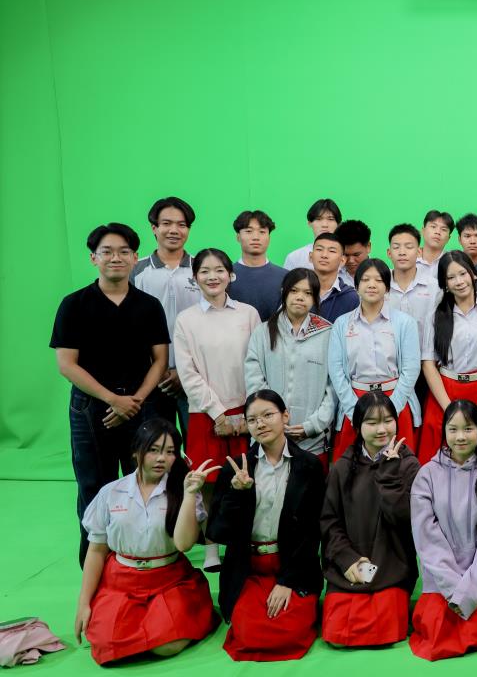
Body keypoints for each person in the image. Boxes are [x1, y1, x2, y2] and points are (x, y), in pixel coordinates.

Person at [52, 223, 170, 567]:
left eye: (123, 252)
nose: (115, 258)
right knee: (93, 486)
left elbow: (160, 360)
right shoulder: (74, 304)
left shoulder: (149, 306)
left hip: (140, 406)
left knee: (146, 484)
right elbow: (67, 364)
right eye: (107, 252)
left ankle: (144, 560)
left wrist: (134, 401)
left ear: (135, 258)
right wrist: (112, 399)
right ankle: (95, 569)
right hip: (91, 409)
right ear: (94, 258)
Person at [75, 419, 218, 664]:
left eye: (170, 452)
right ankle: (140, 628)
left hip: (170, 579)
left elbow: (184, 544)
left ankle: (155, 628)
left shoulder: (183, 491)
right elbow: (96, 551)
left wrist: (190, 493)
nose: (162, 458)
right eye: (153, 450)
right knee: (106, 645)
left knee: (168, 646)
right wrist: (84, 603)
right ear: (136, 451)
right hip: (121, 581)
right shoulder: (111, 492)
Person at [206, 390, 325, 661]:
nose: (260, 424)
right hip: (248, 569)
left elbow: (312, 532)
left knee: (289, 632)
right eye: (252, 419)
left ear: (285, 416)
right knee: (250, 634)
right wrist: (236, 493)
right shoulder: (235, 468)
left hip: (293, 566)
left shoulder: (309, 466)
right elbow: (218, 532)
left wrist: (287, 581)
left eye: (268, 415)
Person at [174, 248, 261, 570]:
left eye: (219, 270)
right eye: (205, 271)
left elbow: (257, 361)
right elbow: (188, 373)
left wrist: (249, 411)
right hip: (205, 412)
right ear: (195, 277)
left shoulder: (248, 314)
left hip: (246, 409)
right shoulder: (186, 320)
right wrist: (218, 411)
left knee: (249, 476)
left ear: (231, 274)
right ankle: (211, 547)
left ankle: (247, 541)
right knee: (209, 480)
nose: (213, 277)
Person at [320, 392, 421, 648]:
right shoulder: (342, 468)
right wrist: (348, 559)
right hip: (350, 567)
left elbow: (407, 520)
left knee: (384, 632)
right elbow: (329, 522)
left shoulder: (409, 465)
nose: (381, 429)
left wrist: (390, 474)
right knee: (337, 634)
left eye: (388, 421)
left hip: (391, 567)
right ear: (357, 427)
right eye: (372, 422)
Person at [410, 400, 477, 660]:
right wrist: (453, 585)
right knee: (435, 634)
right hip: (441, 578)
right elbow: (426, 536)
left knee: (470, 634)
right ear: (444, 431)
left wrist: (470, 590)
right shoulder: (427, 475)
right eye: (453, 429)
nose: (460, 437)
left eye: (468, 428)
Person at [419, 251, 477, 461]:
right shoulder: (435, 317)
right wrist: (449, 408)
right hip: (445, 393)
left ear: (473, 274)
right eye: (451, 277)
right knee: (441, 459)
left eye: (462, 274)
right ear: (445, 284)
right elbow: (428, 364)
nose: (459, 282)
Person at [328, 259, 421, 461]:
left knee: (398, 467)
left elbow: (411, 368)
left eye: (378, 280)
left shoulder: (405, 323)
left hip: (396, 399)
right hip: (355, 401)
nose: (372, 285)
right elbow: (336, 371)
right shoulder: (342, 324)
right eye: (365, 280)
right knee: (354, 468)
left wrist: (392, 410)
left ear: (387, 287)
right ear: (356, 286)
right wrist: (355, 411)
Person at [244, 268, 337, 466]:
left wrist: (313, 425)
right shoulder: (262, 332)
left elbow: (333, 388)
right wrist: (271, 421)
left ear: (315, 298)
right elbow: (254, 381)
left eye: (308, 293)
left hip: (312, 441)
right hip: (268, 439)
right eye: (294, 291)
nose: (300, 297)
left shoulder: (328, 333)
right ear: (284, 292)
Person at [132, 196, 200, 433]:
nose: (174, 230)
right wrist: (157, 371)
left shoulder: (203, 269)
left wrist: (185, 371)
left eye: (182, 225)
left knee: (197, 446)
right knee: (156, 445)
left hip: (195, 376)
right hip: (149, 378)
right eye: (166, 223)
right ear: (154, 228)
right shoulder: (135, 270)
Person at [228, 209, 288, 322]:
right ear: (238, 237)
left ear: (269, 238)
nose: (256, 237)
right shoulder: (225, 275)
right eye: (249, 231)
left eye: (262, 231)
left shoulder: (285, 276)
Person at [386, 223, 439, 337]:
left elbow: (436, 328)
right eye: (396, 247)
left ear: (419, 252)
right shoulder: (380, 285)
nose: (402, 252)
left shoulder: (434, 287)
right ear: (389, 253)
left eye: (409, 247)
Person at [283, 198, 342, 271]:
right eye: (319, 219)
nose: (324, 225)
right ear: (309, 223)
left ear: (339, 224)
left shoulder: (347, 256)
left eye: (330, 219)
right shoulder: (295, 258)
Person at [311, 232, 359, 322]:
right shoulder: (297, 290)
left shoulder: (351, 298)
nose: (324, 255)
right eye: (319, 249)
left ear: (342, 260)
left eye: (332, 251)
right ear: (310, 256)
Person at [417, 209, 454, 282]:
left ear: (448, 238)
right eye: (433, 227)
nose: (437, 232)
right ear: (423, 231)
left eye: (443, 229)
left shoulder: (453, 262)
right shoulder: (410, 258)